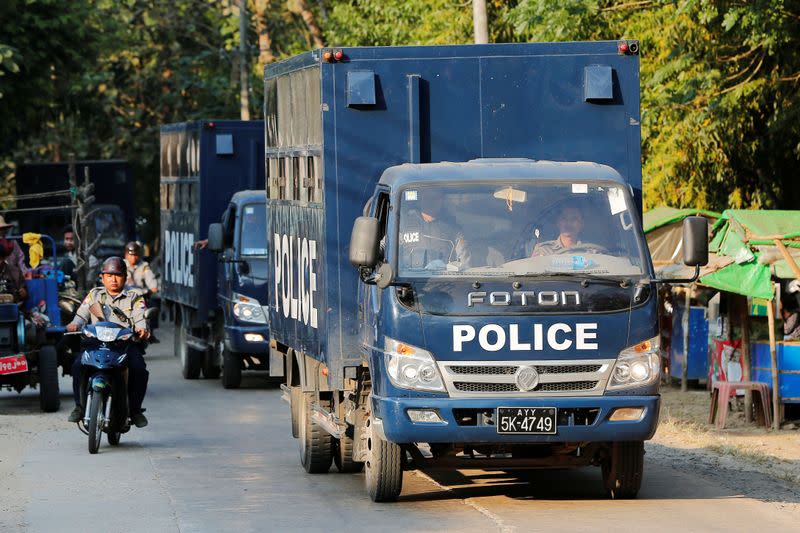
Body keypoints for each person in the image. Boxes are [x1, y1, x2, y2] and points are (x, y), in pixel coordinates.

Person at [65, 257, 150, 427]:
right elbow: (81, 314)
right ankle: (80, 407)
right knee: (77, 366)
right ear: (102, 277)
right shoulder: (94, 294)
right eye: (109, 275)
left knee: (139, 370)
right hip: (96, 343)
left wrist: (142, 328)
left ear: (125, 277)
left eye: (118, 275)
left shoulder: (134, 297)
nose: (113, 279)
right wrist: (75, 324)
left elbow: (140, 316)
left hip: (123, 345)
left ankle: (135, 410)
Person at [529, 205, 603, 257]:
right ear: (558, 222)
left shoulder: (592, 252)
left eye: (574, 219)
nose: (568, 223)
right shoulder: (543, 250)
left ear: (581, 224)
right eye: (564, 218)